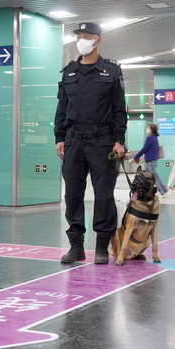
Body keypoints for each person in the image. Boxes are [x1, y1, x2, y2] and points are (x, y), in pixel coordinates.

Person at [54, 22, 127, 265]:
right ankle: (76, 246)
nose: (81, 40)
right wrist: (59, 138)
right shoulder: (69, 72)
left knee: (103, 194)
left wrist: (119, 141)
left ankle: (101, 246)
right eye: (79, 36)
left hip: (102, 141)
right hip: (74, 140)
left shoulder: (112, 71)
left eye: (87, 36)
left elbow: (119, 110)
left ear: (98, 40)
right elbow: (62, 108)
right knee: (72, 194)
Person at [130, 123, 171, 198]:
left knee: (153, 177)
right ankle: (145, 193)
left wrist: (135, 157)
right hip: (153, 160)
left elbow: (144, 149)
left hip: (150, 161)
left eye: (148, 128)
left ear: (151, 130)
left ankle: (164, 191)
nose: (147, 130)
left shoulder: (150, 138)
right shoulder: (155, 138)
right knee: (146, 178)